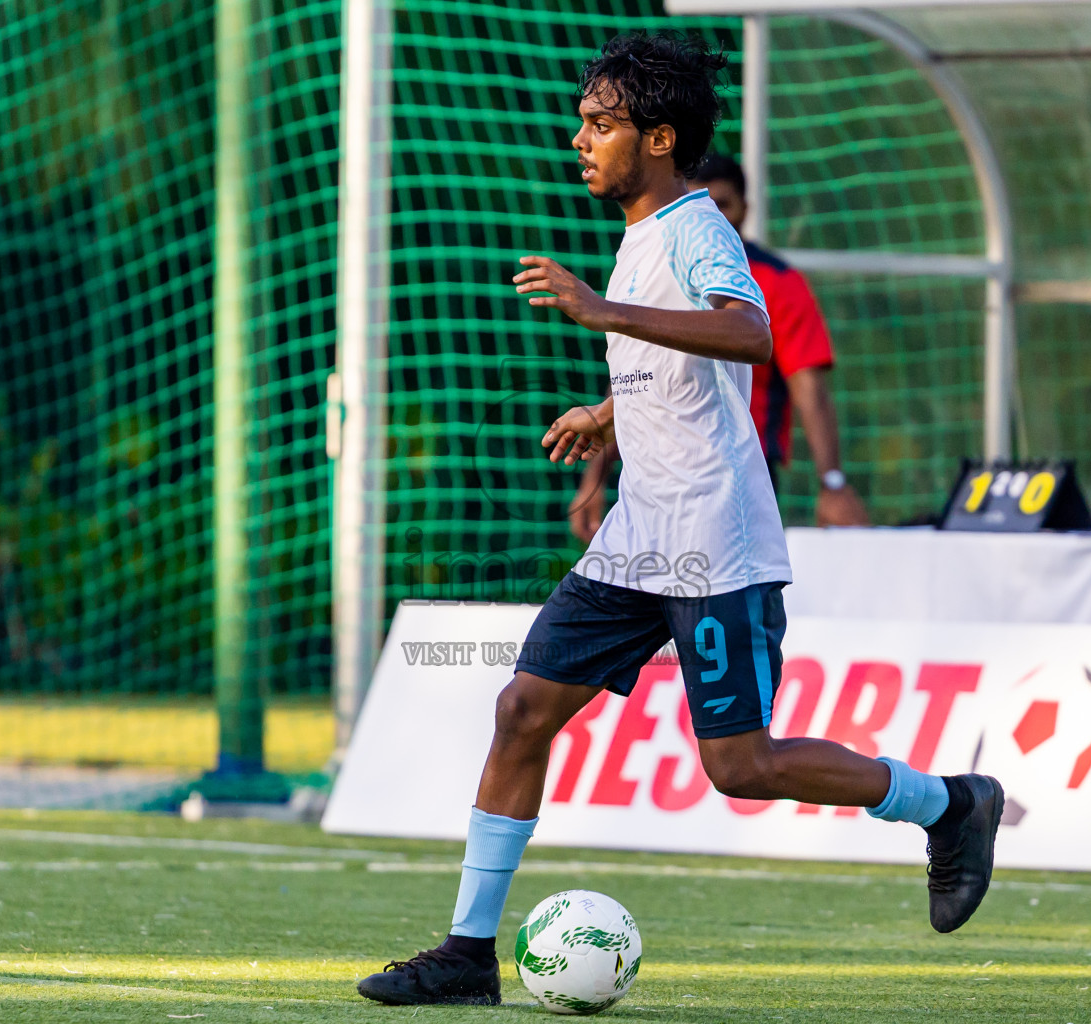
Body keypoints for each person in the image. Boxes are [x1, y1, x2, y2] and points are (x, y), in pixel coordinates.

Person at [357, 34, 1002, 1007]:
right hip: (638, 535)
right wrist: (608, 414)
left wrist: (602, 315)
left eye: (601, 124)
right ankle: (465, 952)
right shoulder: (643, 227)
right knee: (523, 709)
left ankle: (950, 803)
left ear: (658, 139)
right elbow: (695, 367)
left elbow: (749, 332)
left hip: (712, 540)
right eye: (584, 120)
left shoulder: (697, 225)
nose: (580, 139)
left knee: (742, 765)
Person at [569, 154, 869, 541]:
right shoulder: (662, 261)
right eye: (699, 203)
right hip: (653, 469)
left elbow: (808, 388)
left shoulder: (776, 281)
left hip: (736, 474)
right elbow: (636, 376)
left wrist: (832, 481)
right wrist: (594, 479)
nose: (709, 216)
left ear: (746, 209)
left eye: (721, 204)